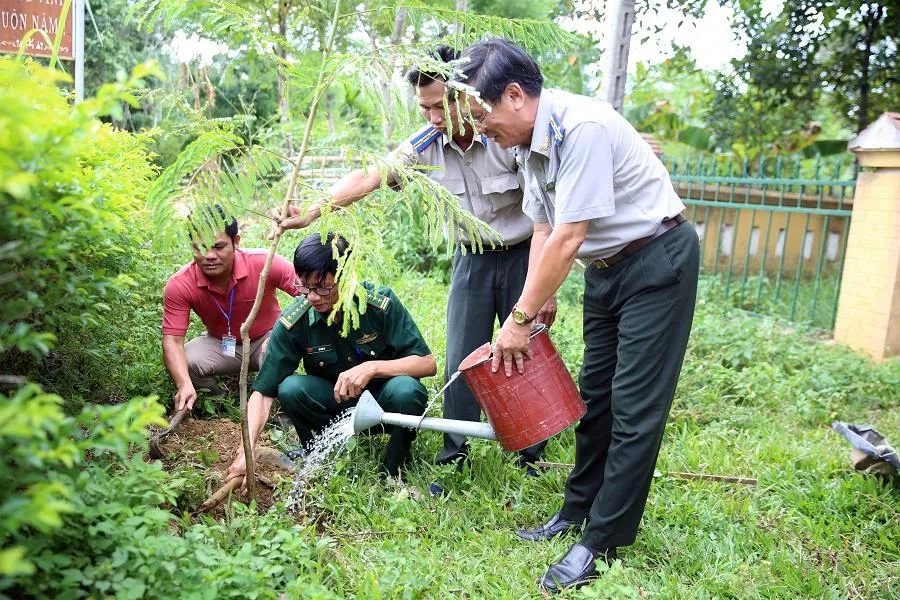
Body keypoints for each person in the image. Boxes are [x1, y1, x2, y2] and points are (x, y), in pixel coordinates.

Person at [456, 39, 700, 592]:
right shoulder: (526, 144)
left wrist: (515, 320)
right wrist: (538, 298)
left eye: (482, 114)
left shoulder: (582, 126)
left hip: (657, 260)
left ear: (515, 95)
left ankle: (602, 540)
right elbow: (543, 229)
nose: (480, 129)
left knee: (636, 409)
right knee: (596, 400)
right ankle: (574, 513)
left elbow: (569, 234)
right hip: (606, 270)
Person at [276, 46, 555, 472]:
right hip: (473, 259)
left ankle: (530, 451)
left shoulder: (505, 137)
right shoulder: (424, 144)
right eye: (424, 108)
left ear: (466, 94)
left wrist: (544, 286)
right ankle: (455, 452)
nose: (433, 118)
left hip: (525, 255)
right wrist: (313, 211)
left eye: (440, 105)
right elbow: (371, 175)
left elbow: (546, 217)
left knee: (525, 348)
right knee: (464, 355)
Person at [226, 233, 437, 481]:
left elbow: (427, 363)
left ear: (346, 276)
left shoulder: (379, 303)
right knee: (291, 388)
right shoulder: (296, 320)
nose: (313, 296)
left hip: (385, 404)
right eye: (305, 286)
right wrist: (245, 452)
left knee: (407, 390)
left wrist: (373, 367)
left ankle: (393, 470)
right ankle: (318, 458)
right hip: (336, 404)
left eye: (323, 286)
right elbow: (263, 393)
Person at [162, 206, 299, 411]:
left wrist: (282, 332)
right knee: (188, 360)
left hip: (267, 340)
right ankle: (220, 402)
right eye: (200, 247)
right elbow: (172, 341)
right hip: (222, 344)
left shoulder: (264, 262)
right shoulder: (180, 284)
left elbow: (309, 293)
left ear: (236, 242)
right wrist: (183, 383)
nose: (209, 255)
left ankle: (281, 408)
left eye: (218, 246)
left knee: (277, 353)